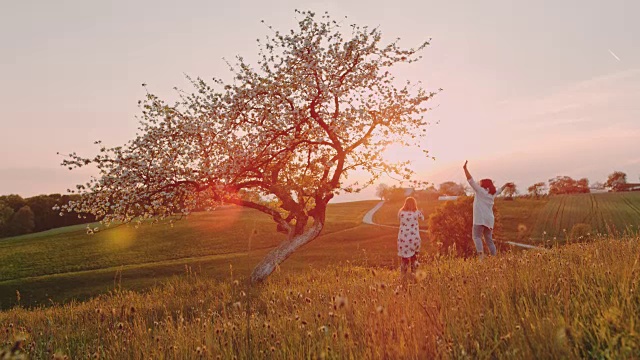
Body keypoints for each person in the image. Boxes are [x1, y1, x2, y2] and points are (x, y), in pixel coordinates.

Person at [463, 160, 511, 258]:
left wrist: (465, 169)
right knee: (489, 240)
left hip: (480, 219)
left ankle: (481, 257)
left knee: (476, 237)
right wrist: (506, 184)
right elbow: (500, 190)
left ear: (483, 185)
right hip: (489, 220)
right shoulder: (492, 193)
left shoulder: (480, 191)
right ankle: (494, 257)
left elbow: (470, 180)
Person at [397, 196, 424, 274]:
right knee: (414, 257)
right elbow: (422, 218)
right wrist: (421, 212)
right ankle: (414, 274)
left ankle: (403, 275)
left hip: (403, 238)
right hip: (414, 238)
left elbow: (399, 219)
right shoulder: (417, 212)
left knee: (404, 258)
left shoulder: (401, 212)